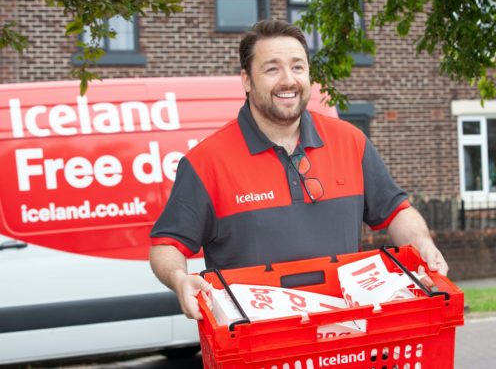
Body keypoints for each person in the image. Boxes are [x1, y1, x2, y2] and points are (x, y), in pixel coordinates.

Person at [149, 20, 448, 320]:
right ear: (247, 80)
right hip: (255, 345)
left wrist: (422, 243)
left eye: (297, 67)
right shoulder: (206, 161)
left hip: (345, 337)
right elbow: (166, 245)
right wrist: (179, 278)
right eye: (272, 69)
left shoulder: (350, 141)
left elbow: (396, 211)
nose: (288, 80)